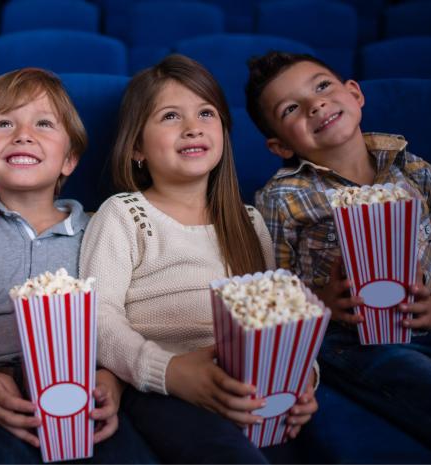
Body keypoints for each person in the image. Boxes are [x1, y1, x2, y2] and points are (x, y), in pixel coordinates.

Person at [80, 54, 319, 464]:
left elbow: (282, 316)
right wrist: (169, 372)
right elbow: (98, 318)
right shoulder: (123, 214)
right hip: (161, 387)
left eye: (206, 113)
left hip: (248, 386)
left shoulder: (248, 220)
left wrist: (303, 377)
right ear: (137, 146)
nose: (193, 127)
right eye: (171, 116)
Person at [0, 68, 154, 463]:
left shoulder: (100, 228)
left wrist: (113, 381)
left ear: (69, 159)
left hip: (83, 386)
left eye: (43, 123)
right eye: (4, 123)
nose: (23, 134)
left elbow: (122, 318)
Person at [247, 50, 431, 459]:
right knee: (420, 382)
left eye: (322, 87)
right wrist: (323, 301)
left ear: (354, 94)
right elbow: (269, 296)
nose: (315, 104)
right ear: (279, 144)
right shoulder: (281, 198)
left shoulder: (417, 173)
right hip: (349, 340)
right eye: (291, 109)